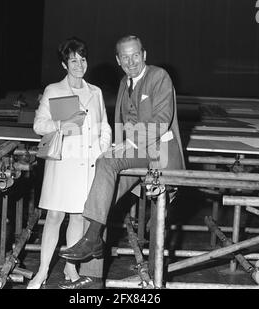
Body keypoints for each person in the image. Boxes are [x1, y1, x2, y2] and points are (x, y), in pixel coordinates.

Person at [58, 35, 185, 282]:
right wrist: (118, 144)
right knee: (97, 202)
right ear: (118, 60)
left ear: (144, 55)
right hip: (135, 153)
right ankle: (92, 278)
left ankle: (97, 242)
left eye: (135, 55)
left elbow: (162, 120)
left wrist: (130, 143)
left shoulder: (159, 77)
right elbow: (120, 123)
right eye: (125, 57)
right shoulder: (122, 83)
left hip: (159, 153)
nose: (131, 61)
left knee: (154, 219)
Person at [27, 37, 112, 289]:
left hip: (87, 164)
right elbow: (38, 125)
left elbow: (104, 126)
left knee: (77, 217)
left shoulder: (95, 92)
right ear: (64, 64)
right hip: (63, 161)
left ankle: (71, 268)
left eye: (82, 59)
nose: (79, 64)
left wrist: (102, 148)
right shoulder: (54, 90)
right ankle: (42, 272)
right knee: (54, 216)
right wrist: (60, 125)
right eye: (73, 60)